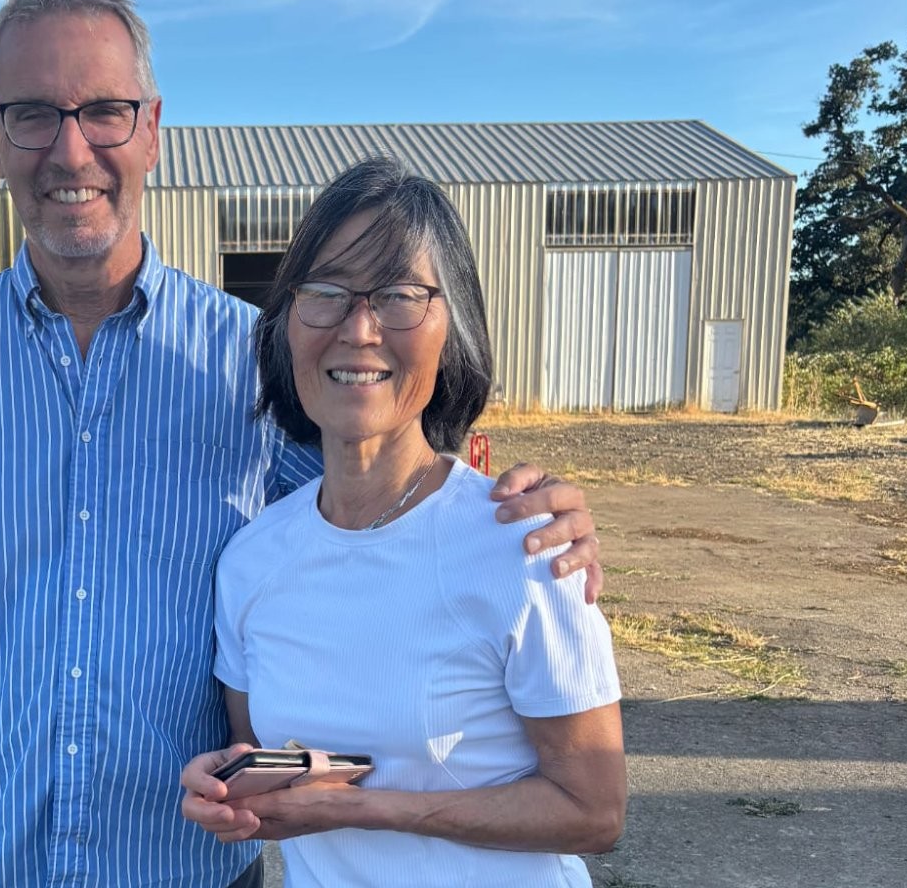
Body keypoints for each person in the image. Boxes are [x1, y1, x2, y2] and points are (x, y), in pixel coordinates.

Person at [0, 0, 604, 888]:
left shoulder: (259, 362)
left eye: (105, 112)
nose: (71, 151)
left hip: (184, 867)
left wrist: (513, 515)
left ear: (151, 129)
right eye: (32, 114)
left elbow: (383, 517)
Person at [179, 158, 625, 886]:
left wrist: (372, 809)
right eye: (325, 291)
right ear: (288, 323)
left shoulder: (523, 540)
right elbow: (263, 754)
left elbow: (594, 809)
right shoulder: (253, 559)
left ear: (453, 327)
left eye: (399, 295)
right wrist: (224, 785)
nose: (359, 329)